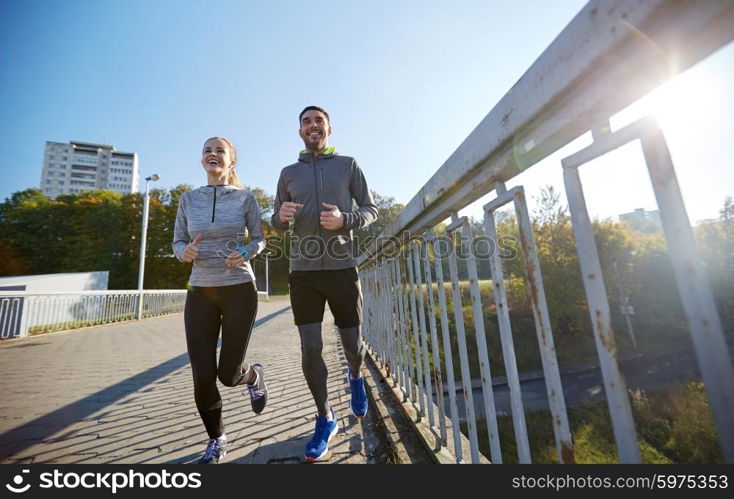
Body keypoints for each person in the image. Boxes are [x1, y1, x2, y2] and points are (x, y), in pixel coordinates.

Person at [271, 106, 378, 462]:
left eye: (318, 120)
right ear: (299, 131)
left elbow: (370, 209)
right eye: (306, 122)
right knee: (310, 347)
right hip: (303, 272)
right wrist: (281, 218)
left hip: (342, 267)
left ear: (329, 128)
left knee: (352, 344)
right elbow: (276, 221)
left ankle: (355, 376)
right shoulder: (288, 173)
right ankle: (325, 416)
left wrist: (344, 219)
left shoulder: (348, 165)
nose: (312, 126)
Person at [172, 136, 268, 464]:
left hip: (239, 289)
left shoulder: (245, 198)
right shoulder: (188, 198)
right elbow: (178, 240)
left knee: (228, 374)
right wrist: (183, 252)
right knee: (202, 374)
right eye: (206, 150)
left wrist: (245, 250)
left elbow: (259, 239)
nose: (212, 154)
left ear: (231, 162)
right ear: (202, 160)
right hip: (200, 291)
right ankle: (217, 438)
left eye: (219, 151)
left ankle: (253, 376)